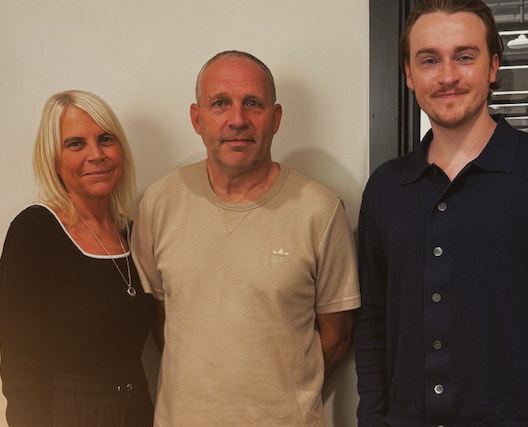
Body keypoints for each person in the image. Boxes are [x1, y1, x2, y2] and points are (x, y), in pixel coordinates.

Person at [354, 1, 528, 426]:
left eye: (465, 56)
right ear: (409, 75)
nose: (447, 76)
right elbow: (372, 326)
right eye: (429, 60)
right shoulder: (386, 189)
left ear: (493, 66)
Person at [131, 51, 360, 426]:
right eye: (220, 104)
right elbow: (161, 324)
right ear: (197, 118)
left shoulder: (320, 210)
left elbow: (337, 337)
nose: (237, 120)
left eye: (252, 103)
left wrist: (285, 398)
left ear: (275, 118)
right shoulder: (160, 202)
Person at [0, 90, 156, 427]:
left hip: (136, 408)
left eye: (105, 139)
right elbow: (21, 370)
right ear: (53, 158)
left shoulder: (135, 234)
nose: (96, 155)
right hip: (68, 414)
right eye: (75, 144)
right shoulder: (35, 231)